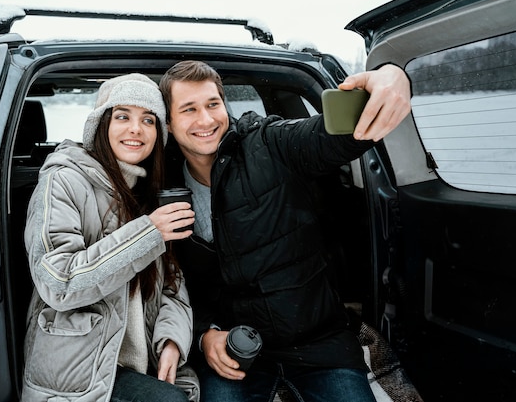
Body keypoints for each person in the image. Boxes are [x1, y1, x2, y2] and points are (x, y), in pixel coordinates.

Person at [159, 60, 412, 402]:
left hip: (320, 344)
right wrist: (205, 335)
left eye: (213, 104)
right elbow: (175, 284)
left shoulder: (269, 143)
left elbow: (332, 136)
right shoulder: (162, 186)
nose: (206, 120)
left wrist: (392, 77)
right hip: (238, 349)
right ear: (169, 124)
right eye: (189, 109)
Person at [21, 73, 198, 402]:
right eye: (122, 116)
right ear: (100, 125)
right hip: (78, 373)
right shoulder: (63, 181)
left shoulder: (149, 191)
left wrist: (172, 341)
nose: (135, 128)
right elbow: (59, 282)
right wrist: (147, 233)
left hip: (140, 364)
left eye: (148, 119)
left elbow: (172, 283)